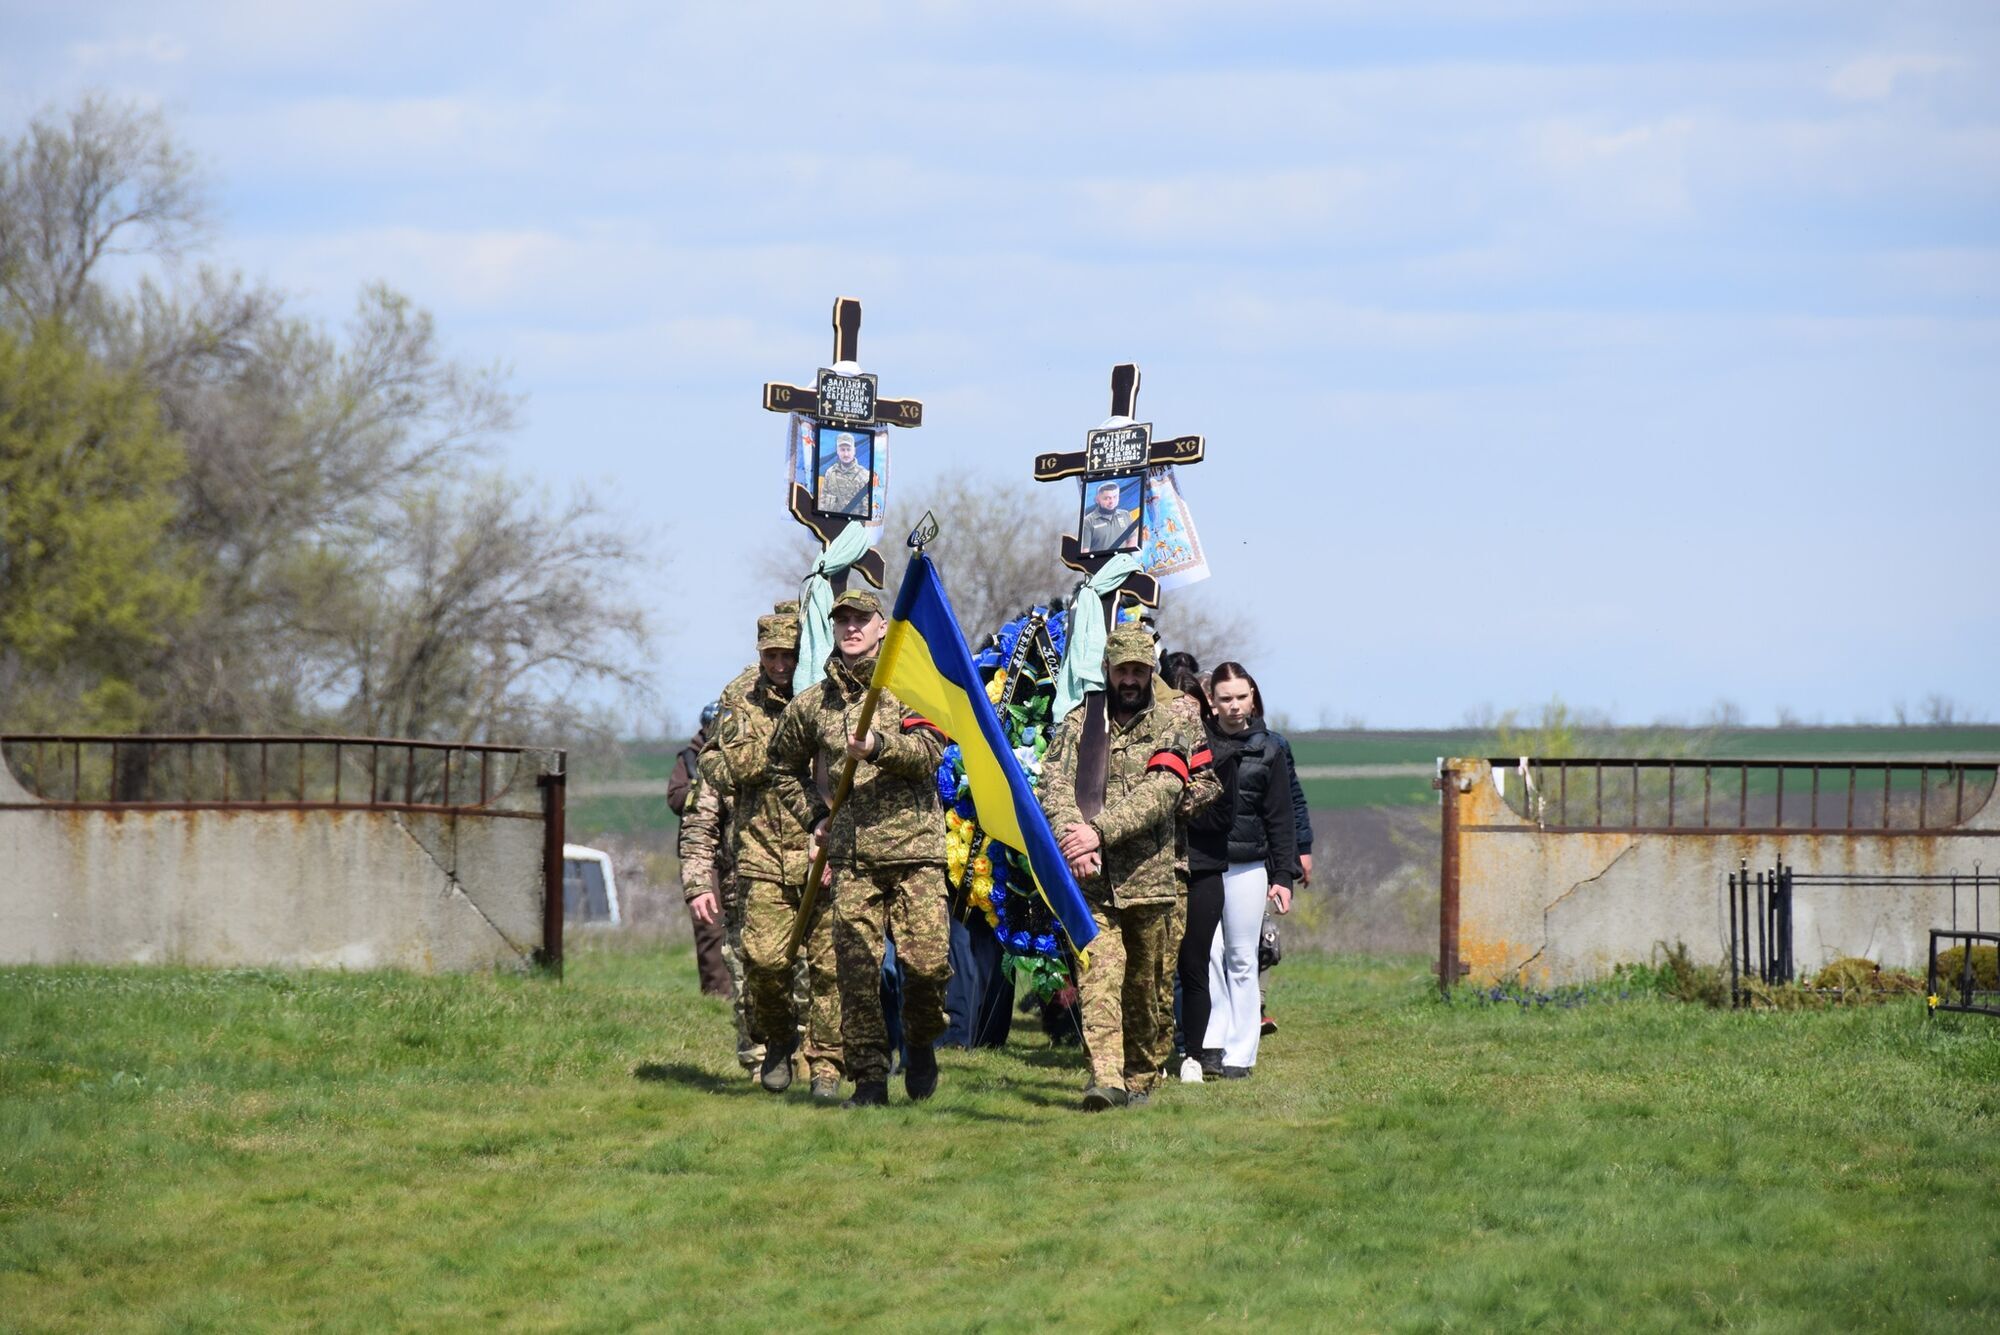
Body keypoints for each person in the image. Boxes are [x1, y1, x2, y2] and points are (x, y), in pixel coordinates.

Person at [769, 588, 951, 1108]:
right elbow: (780, 764)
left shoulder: (910, 686)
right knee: (857, 974)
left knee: (927, 969)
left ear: (880, 628)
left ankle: (919, 1041)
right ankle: (869, 1080)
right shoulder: (814, 703)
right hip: (852, 858)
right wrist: (816, 815)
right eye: (842, 620)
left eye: (861, 620)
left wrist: (878, 748)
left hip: (916, 851)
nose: (851, 628)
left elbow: (930, 754)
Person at [1040, 624, 1201, 1110]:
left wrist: (1099, 831)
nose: (1129, 679)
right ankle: (1105, 1079)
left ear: (1151, 670)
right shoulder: (1078, 723)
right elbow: (1052, 785)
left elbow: (1163, 791)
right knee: (1100, 978)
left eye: (1138, 670)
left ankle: (1142, 1076)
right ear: (1107, 671)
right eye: (1121, 670)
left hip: (1151, 879)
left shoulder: (1172, 723)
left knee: (1146, 990)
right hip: (1090, 879)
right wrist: (1076, 840)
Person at [692, 610, 848, 1099]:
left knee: (829, 968)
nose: (780, 665)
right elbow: (713, 762)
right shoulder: (739, 697)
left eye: (789, 656)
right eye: (771, 656)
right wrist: (772, 757)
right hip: (760, 851)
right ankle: (778, 1036)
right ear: (759, 654)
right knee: (763, 961)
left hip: (824, 849)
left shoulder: (828, 693)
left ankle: (825, 1066)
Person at [1181, 662, 1298, 1080]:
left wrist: (1283, 876)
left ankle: (1241, 1054)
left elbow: (1280, 818)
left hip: (1248, 867)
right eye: (1225, 698)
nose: (1234, 706)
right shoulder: (1197, 745)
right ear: (1211, 703)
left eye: (1241, 697)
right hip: (1204, 865)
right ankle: (1210, 1042)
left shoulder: (1270, 749)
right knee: (1206, 954)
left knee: (1242, 958)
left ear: (1253, 697)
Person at [679, 743, 763, 1077]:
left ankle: (813, 1064)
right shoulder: (723, 757)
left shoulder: (811, 746)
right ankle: (761, 1063)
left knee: (809, 983)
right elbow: (699, 827)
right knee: (748, 982)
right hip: (742, 890)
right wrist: (697, 885)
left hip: (807, 889)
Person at [669, 702, 731, 998]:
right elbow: (675, 798)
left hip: (738, 849)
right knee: (710, 926)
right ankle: (716, 993)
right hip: (704, 856)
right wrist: (703, 788)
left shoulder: (737, 753)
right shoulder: (689, 758)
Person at [817, 432, 872, 516]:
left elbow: (866, 510)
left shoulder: (865, 476)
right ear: (837, 451)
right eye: (842, 450)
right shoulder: (830, 473)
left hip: (853, 527)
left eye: (848, 449)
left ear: (854, 451)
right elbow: (822, 503)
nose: (846, 454)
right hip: (829, 525)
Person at [1079, 479, 1136, 553]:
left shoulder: (1125, 514)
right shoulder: (1088, 521)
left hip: (1124, 562)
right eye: (1107, 498)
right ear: (1097, 499)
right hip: (1100, 563)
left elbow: (1133, 538)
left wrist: (1126, 557)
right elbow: (1085, 551)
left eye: (1115, 497)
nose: (1111, 502)